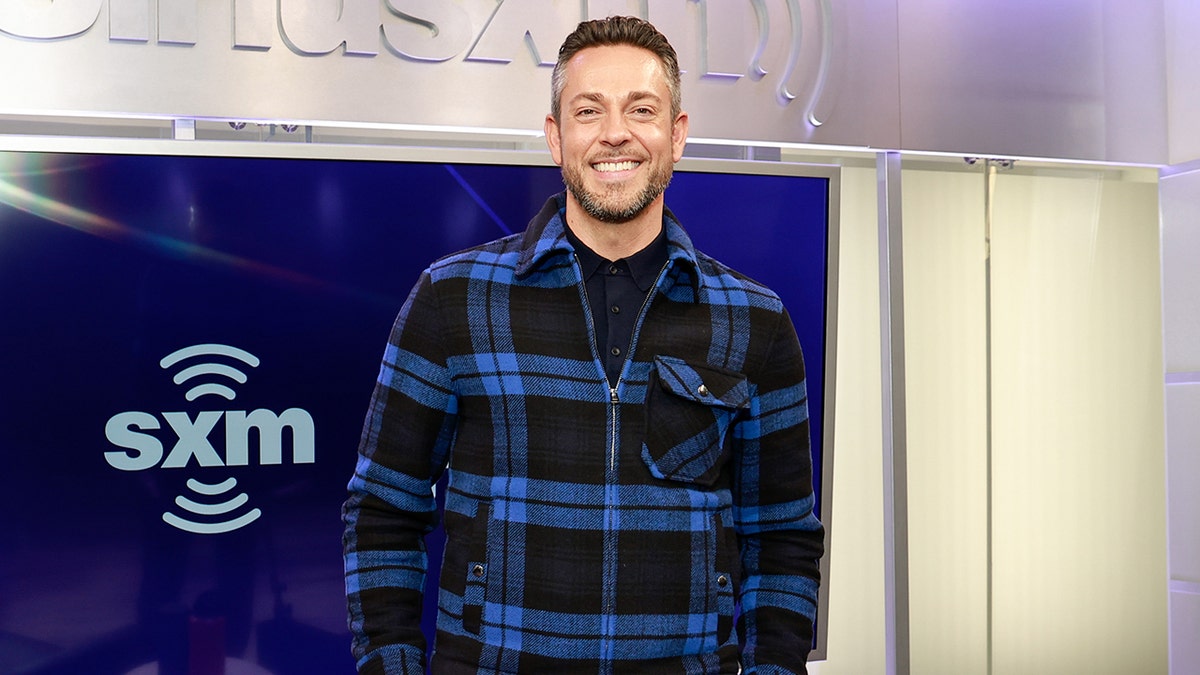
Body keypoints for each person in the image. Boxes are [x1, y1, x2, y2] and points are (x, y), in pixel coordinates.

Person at [343, 15, 824, 674]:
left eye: (642, 110)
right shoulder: (452, 297)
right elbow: (382, 512)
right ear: (556, 136)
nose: (615, 133)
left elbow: (784, 539)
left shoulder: (756, 320)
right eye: (589, 110)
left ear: (677, 135)